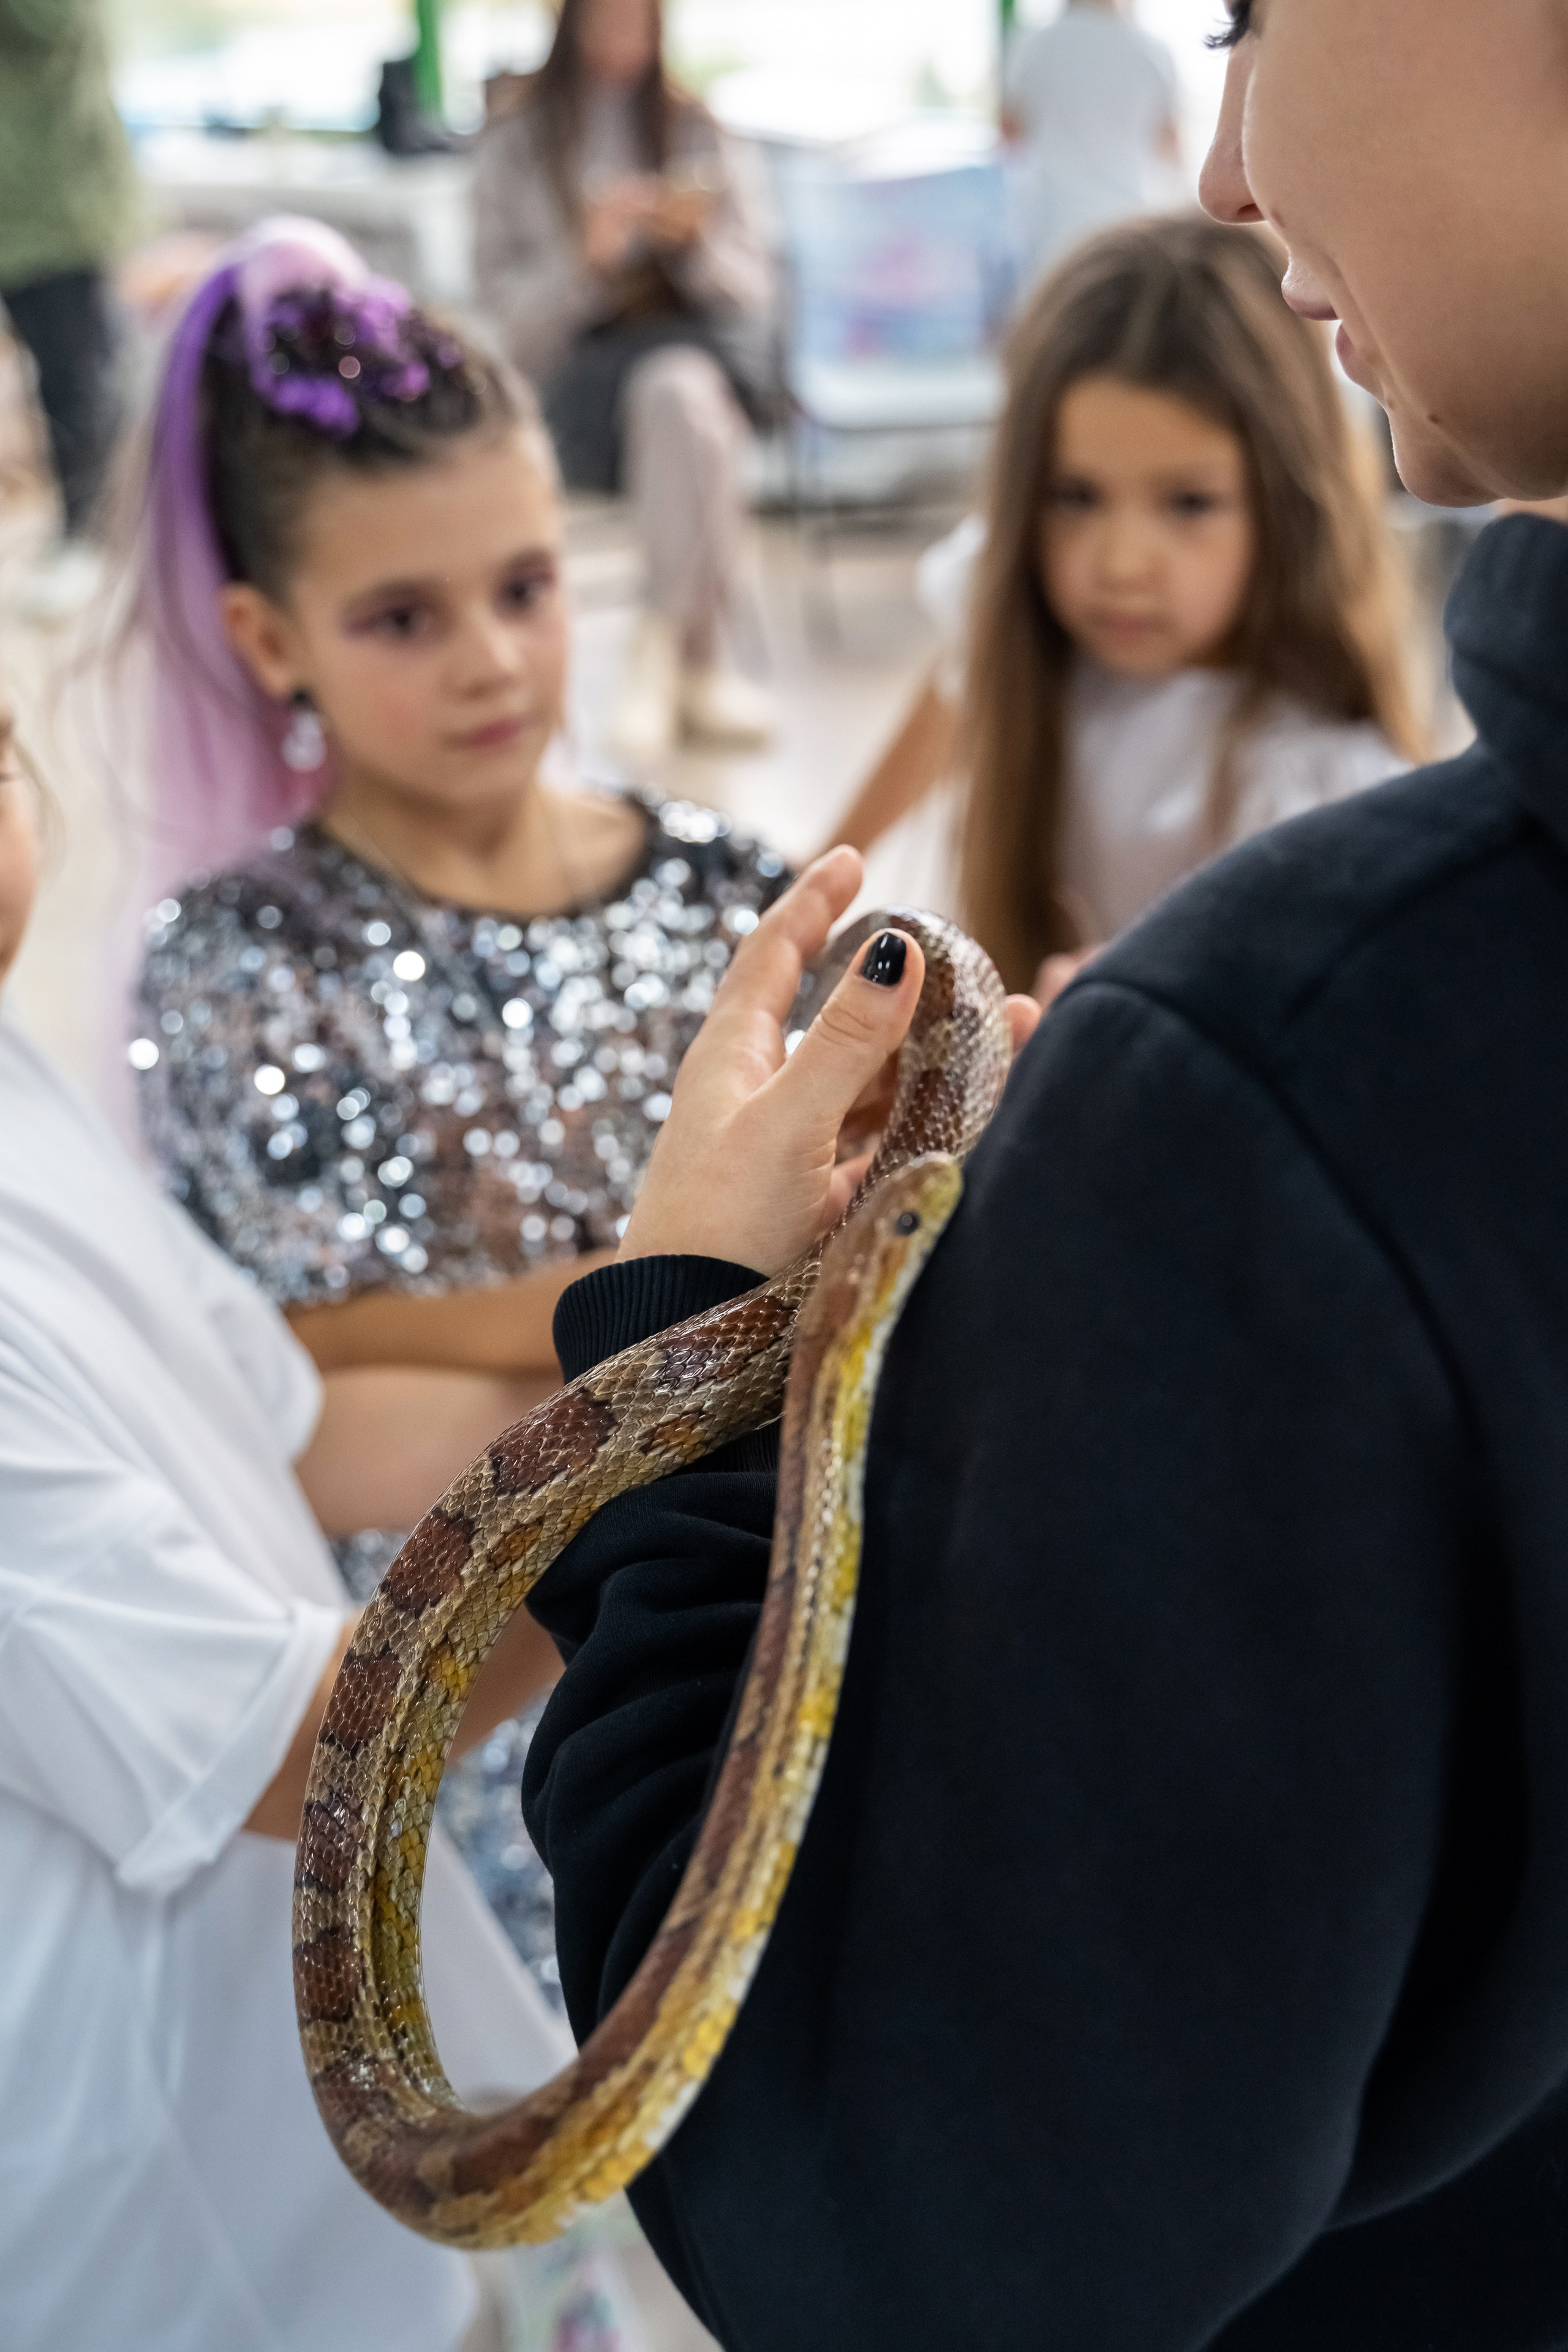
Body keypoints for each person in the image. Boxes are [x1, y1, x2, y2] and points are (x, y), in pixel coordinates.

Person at [491, 2, 1568, 2345]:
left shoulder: (1286, 1070)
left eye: (1250, 13)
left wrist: (679, 1360)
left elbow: (888, 2238)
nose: (1221, 158)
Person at [127, 221, 786, 1998]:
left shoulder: (722, 886)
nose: (492, 659)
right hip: (476, 1707)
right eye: (403, 618)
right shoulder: (241, 960)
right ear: (267, 637)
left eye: (525, 586)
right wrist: (671, 1296)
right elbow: (299, 1373)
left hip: (754, 1633)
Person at [0, 677, 573, 2349]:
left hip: (324, 2103)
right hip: (166, 2222)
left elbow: (302, 1437)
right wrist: (660, 1469)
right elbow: (304, 1754)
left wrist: (695, 1340)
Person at [831, 215, 1420, 1000]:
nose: (1120, 565)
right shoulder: (1017, 625)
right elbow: (952, 697)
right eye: (1075, 496)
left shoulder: (1315, 782)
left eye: (1188, 503)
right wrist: (810, 880)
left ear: (1288, 506)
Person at [473, 0, 778, 766]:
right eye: (603, 22)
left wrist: (693, 243)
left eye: (634, 23)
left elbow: (754, 288)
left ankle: (659, 648)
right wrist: (587, 258)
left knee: (682, 396)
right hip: (578, 380)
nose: (619, 42)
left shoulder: (700, 128)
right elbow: (507, 324)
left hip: (696, 358)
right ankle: (697, 658)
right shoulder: (516, 141)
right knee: (684, 408)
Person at [0, 0, 137, 622]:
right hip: (20, 212)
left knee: (74, 383)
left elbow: (51, 22)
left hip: (55, 213)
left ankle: (90, 536)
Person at [1001, 0, 1180, 291]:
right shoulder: (1154, 51)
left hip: (1053, 231)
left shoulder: (1033, 45)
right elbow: (1171, 152)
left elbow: (1009, 140)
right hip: (1129, 227)